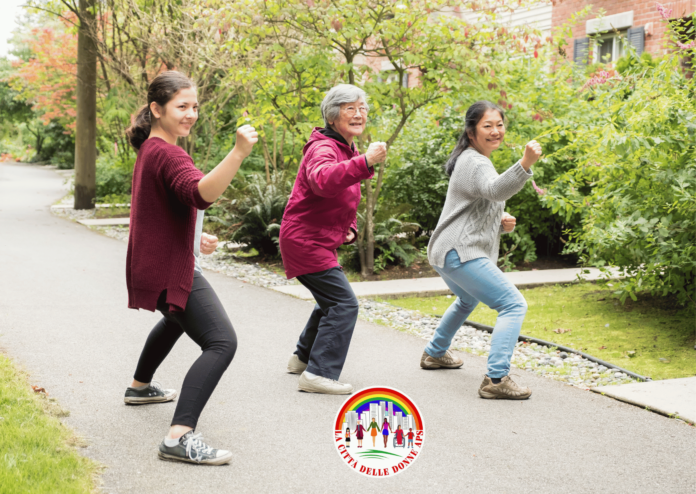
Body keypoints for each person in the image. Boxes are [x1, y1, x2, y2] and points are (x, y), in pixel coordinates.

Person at [123, 70, 258, 465]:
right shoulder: (167, 152)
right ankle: (179, 436)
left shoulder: (151, 149)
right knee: (221, 342)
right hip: (167, 267)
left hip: (154, 260)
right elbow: (199, 194)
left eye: (194, 106)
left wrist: (192, 239)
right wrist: (237, 153)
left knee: (175, 317)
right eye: (182, 106)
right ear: (156, 109)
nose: (191, 114)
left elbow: (157, 211)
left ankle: (139, 386)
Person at [422, 100, 541, 400]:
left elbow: (475, 203)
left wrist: (499, 219)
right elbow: (495, 190)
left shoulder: (472, 159)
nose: (495, 131)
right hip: (461, 252)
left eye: (499, 125)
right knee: (513, 305)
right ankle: (496, 379)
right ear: (471, 131)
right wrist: (524, 164)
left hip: (446, 250)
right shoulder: (474, 161)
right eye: (487, 126)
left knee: (466, 299)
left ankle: (435, 353)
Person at [281, 84, 387, 394]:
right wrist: (366, 162)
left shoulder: (344, 147)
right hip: (305, 241)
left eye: (362, 108)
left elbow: (344, 194)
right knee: (343, 303)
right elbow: (323, 181)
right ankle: (318, 373)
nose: (359, 114)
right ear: (332, 114)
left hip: (314, 240)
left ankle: (302, 358)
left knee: (329, 301)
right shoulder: (323, 148)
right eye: (350, 108)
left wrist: (349, 227)